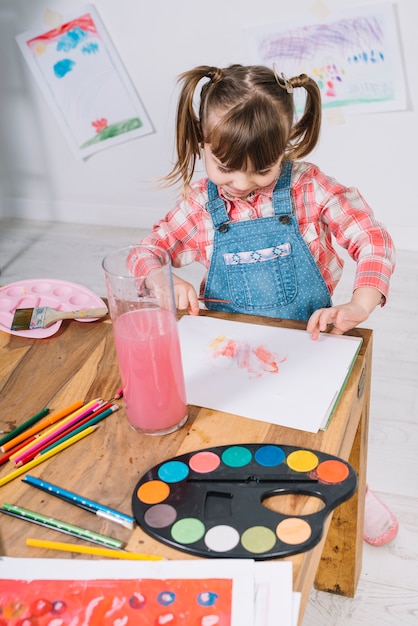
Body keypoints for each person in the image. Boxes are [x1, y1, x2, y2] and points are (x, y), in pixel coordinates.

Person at [138, 63, 398, 545]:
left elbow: (374, 240)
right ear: (203, 145)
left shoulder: (309, 188)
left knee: (318, 439)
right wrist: (163, 281)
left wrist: (359, 305)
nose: (241, 183)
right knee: (229, 440)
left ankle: (350, 494)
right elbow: (146, 253)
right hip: (228, 353)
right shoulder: (199, 204)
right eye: (225, 168)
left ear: (286, 148)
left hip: (310, 343)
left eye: (262, 169)